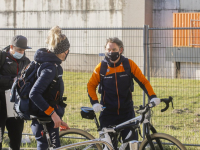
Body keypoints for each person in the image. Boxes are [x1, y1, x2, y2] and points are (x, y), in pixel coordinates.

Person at [87, 37, 161, 150]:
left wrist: (153, 96)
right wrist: (95, 103)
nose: (111, 52)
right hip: (108, 114)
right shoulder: (101, 68)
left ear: (120, 50)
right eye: (108, 49)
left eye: (114, 49)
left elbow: (143, 82)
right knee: (109, 147)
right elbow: (90, 86)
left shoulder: (129, 65)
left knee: (131, 146)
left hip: (127, 113)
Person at [29, 26, 70, 149]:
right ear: (64, 51)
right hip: (44, 119)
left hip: (45, 117)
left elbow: (48, 94)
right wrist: (53, 114)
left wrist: (56, 116)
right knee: (48, 146)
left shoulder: (46, 63)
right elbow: (34, 93)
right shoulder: (50, 68)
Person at [0, 35, 31, 150]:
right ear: (11, 47)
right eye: (19, 50)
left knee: (16, 139)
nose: (21, 52)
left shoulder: (26, 61)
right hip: (1, 104)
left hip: (16, 106)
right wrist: (12, 80)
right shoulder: (2, 57)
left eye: (23, 50)